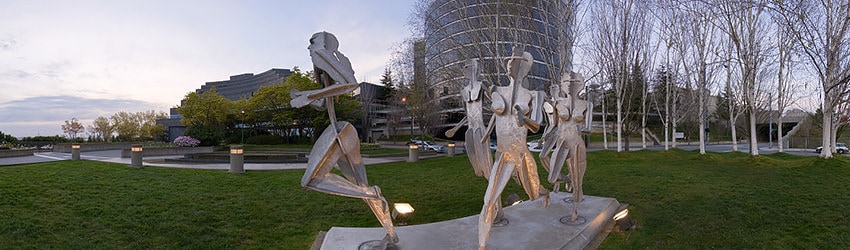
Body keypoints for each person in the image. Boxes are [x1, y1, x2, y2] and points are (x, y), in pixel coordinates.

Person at [292, 31, 398, 249]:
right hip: (344, 132)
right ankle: (391, 233)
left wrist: (307, 96)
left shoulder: (322, 54)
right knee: (361, 184)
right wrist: (304, 95)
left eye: (311, 42)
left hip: (340, 133)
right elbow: (324, 104)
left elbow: (351, 84)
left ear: (322, 42)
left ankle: (371, 193)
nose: (309, 47)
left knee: (309, 180)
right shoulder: (329, 65)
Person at [477, 46, 547, 250]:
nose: (509, 63)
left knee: (534, 193)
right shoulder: (497, 90)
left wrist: (523, 119)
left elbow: (536, 125)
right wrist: (484, 136)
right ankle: (482, 244)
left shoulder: (533, 95)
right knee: (489, 198)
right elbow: (495, 117)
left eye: (514, 61)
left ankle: (544, 195)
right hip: (503, 154)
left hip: (522, 153)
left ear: (524, 67)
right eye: (508, 60)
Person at [539, 71, 588, 224]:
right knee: (546, 164)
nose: (570, 84)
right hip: (562, 143)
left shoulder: (586, 104)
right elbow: (554, 124)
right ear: (563, 84)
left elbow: (587, 127)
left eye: (574, 81)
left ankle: (575, 210)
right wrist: (545, 136)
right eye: (567, 81)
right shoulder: (558, 102)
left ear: (580, 85)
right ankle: (565, 178)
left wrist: (580, 125)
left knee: (578, 180)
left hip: (577, 144)